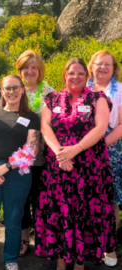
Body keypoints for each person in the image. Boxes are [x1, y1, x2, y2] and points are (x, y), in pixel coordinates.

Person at [35, 58, 117, 270]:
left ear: (86, 77)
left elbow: (100, 128)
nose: (76, 77)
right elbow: (45, 127)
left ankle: (80, 264)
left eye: (81, 73)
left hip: (89, 169)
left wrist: (76, 149)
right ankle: (61, 263)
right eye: (72, 73)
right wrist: (60, 154)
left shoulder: (98, 98)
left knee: (84, 213)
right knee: (61, 212)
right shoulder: (51, 99)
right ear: (64, 75)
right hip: (58, 168)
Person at [0, 75, 41, 270]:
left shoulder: (31, 117)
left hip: (17, 173)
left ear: (22, 90)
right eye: (7, 88)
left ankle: (11, 260)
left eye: (15, 88)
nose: (11, 92)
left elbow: (32, 149)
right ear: (2, 92)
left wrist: (6, 167)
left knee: (14, 218)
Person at [16, 50, 55, 256]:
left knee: (41, 200)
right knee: (20, 199)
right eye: (25, 67)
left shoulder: (50, 92)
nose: (30, 71)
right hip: (18, 158)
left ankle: (42, 239)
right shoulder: (14, 89)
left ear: (40, 70)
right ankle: (24, 238)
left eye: (34, 67)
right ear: (19, 69)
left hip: (42, 158)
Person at [87, 50, 122, 267]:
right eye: (99, 64)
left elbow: (121, 125)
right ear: (92, 66)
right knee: (86, 196)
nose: (102, 68)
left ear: (114, 68)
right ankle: (90, 244)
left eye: (107, 65)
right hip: (84, 148)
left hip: (110, 148)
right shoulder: (82, 87)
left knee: (109, 199)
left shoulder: (120, 91)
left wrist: (100, 145)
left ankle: (109, 246)